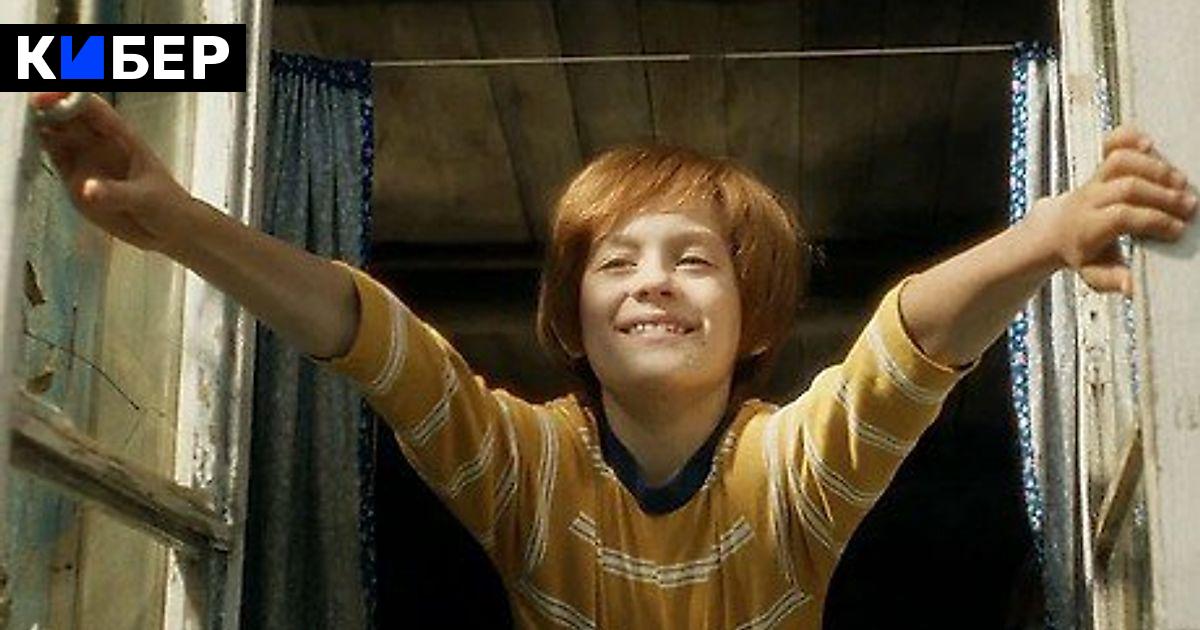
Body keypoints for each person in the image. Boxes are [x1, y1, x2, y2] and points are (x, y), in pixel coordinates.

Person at [30, 91, 1196, 628]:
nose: (653, 280)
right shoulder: (524, 470)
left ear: (754, 321)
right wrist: (177, 221)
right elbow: (377, 342)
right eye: (616, 262)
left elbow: (910, 343)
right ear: (571, 317)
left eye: (694, 261)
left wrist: (1046, 234)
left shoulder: (790, 476)